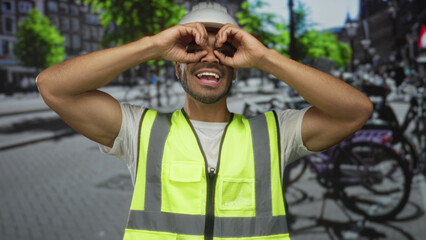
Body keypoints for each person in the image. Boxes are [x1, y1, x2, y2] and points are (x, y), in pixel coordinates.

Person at [36, 2, 373, 240]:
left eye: (225, 49)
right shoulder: (139, 129)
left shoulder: (276, 132)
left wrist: (266, 58)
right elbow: (53, 87)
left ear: (237, 64)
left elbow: (356, 110)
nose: (209, 56)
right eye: (193, 47)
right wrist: (153, 45)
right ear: (177, 64)